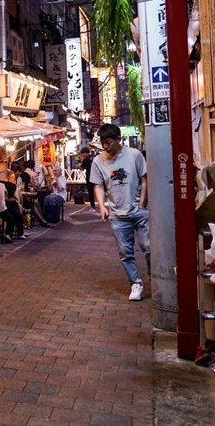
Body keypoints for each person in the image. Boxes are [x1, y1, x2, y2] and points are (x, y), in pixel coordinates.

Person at [90, 123, 150, 302]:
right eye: (103, 142)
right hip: (117, 215)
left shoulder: (134, 155)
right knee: (125, 252)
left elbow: (144, 179)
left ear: (119, 139)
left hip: (139, 211)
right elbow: (98, 185)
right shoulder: (98, 161)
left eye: (109, 142)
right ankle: (135, 283)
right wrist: (102, 206)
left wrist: (142, 202)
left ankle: (154, 275)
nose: (106, 146)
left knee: (148, 246)